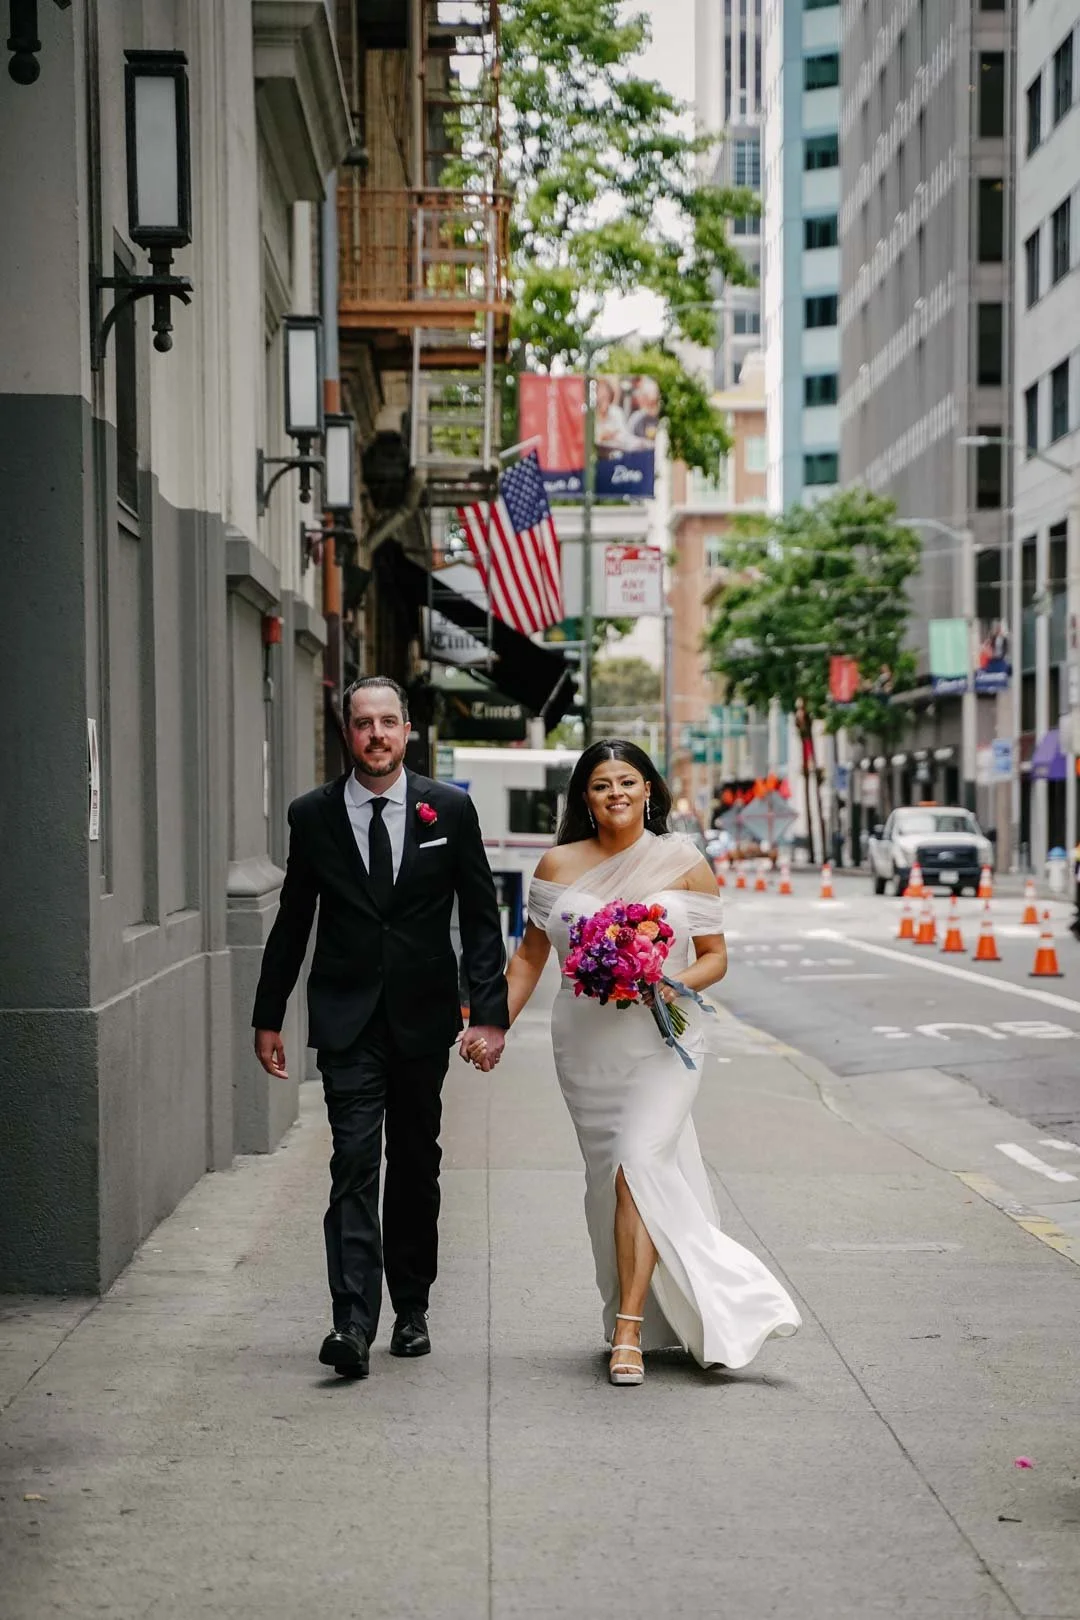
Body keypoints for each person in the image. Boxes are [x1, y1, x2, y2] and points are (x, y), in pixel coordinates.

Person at [462, 739, 800, 1385]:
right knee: (606, 1185)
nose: (614, 792)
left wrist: (665, 983)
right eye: (599, 784)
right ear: (584, 799)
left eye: (627, 780)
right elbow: (532, 956)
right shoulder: (557, 865)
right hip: (586, 1045)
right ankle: (640, 1304)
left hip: (665, 1039)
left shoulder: (685, 862)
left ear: (649, 790)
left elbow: (714, 957)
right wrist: (493, 1023)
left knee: (636, 1167)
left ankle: (630, 1333)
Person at [252, 676, 509, 1379]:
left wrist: (489, 1015)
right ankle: (352, 1322)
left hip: (424, 1022)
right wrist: (267, 1014)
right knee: (355, 1163)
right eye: (363, 723)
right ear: (346, 733)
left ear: (406, 732)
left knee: (416, 1167)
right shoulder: (313, 815)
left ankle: (413, 1308)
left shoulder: (449, 810)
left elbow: (482, 920)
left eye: (388, 722)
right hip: (347, 1021)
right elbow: (294, 918)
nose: (376, 735)